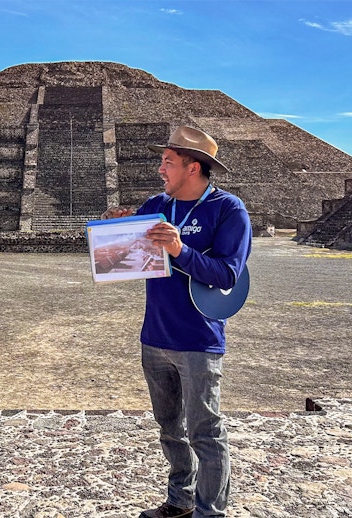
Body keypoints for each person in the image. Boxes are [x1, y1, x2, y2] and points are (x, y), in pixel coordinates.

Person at [102, 126, 252, 518]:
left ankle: (210, 513)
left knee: (206, 433)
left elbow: (227, 276)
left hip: (199, 340)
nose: (159, 169)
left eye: (168, 162)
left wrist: (179, 249)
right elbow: (127, 256)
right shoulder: (156, 204)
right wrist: (116, 228)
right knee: (170, 429)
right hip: (154, 336)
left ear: (193, 167)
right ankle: (180, 501)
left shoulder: (227, 209)